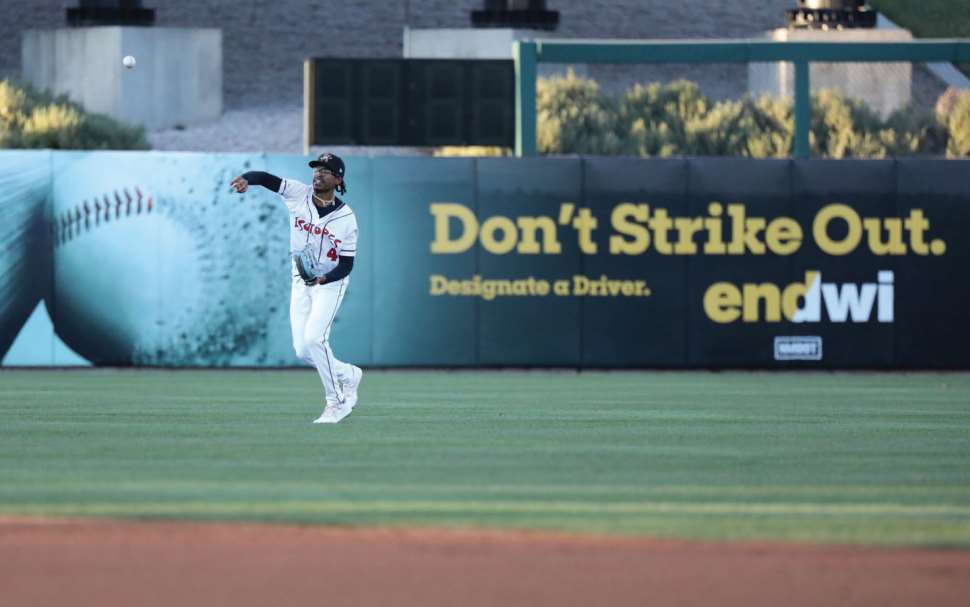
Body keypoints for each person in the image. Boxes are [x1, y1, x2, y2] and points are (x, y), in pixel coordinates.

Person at [230, 153, 362, 424]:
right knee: (302, 350)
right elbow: (267, 179)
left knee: (315, 339)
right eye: (316, 169)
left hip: (330, 282)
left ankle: (336, 403)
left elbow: (347, 265)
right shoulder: (298, 194)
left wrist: (324, 279)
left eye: (326, 171)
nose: (318, 174)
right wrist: (247, 179)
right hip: (300, 277)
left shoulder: (347, 218)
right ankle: (348, 374)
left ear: (338, 179)